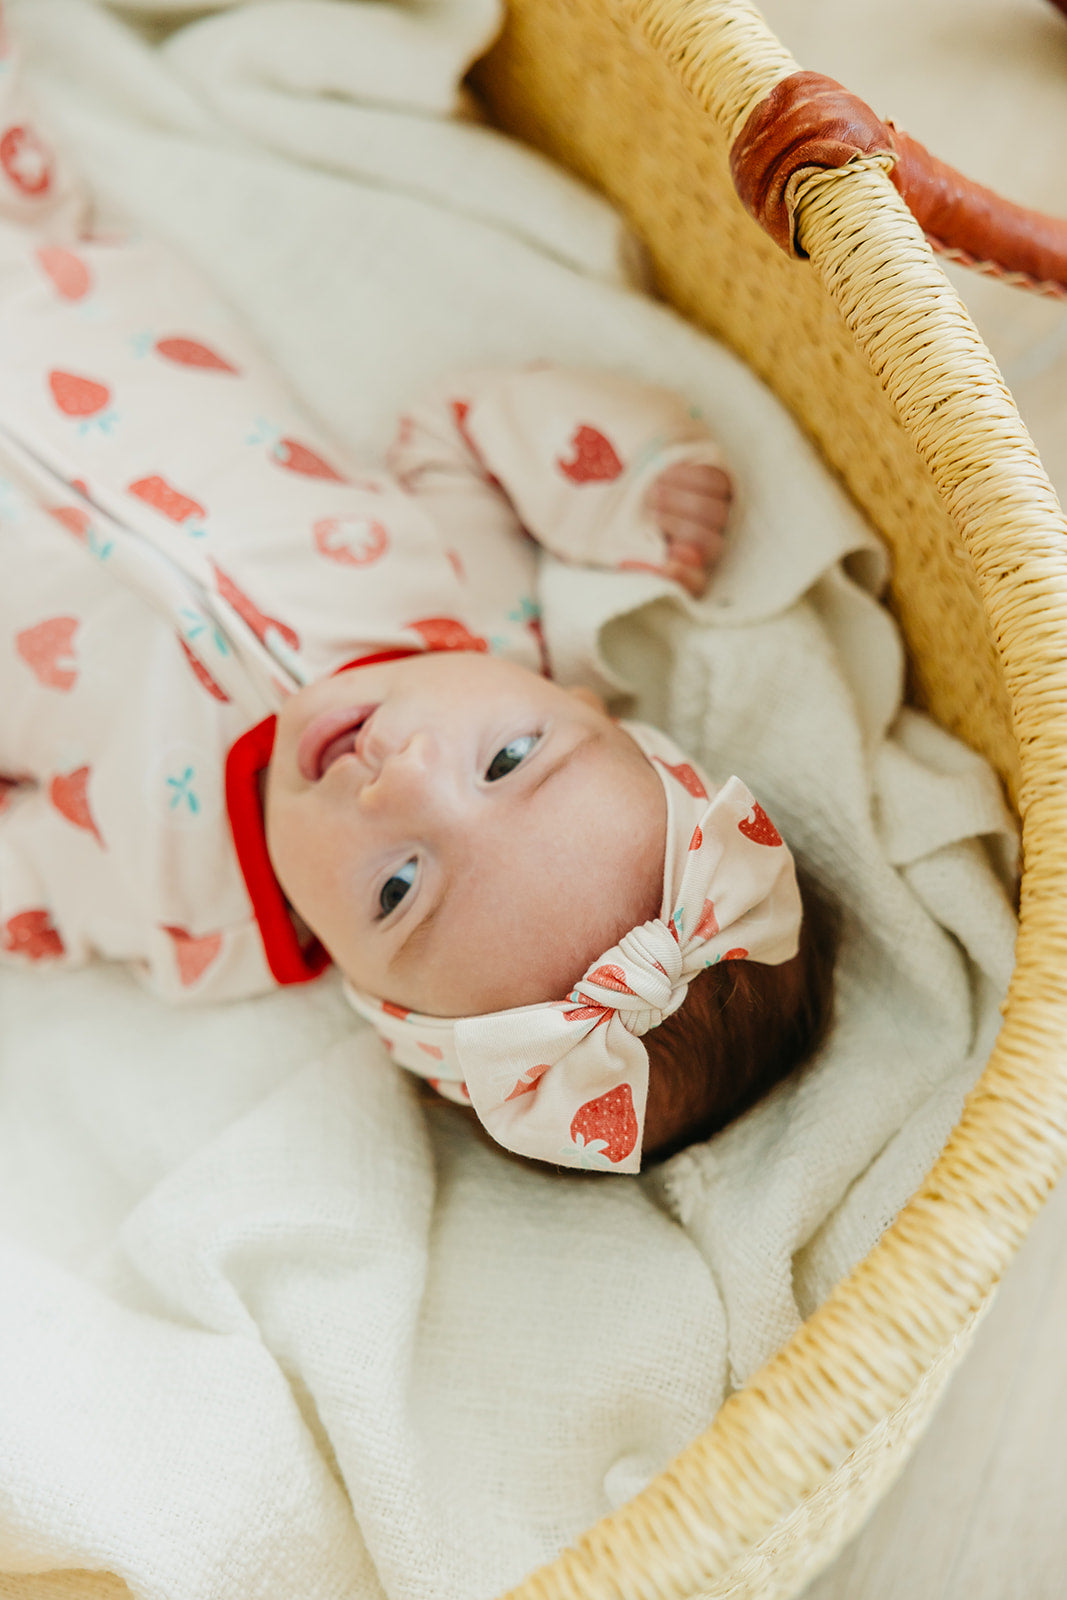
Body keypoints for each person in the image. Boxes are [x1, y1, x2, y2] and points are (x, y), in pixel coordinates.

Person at [0, 23, 835, 1174]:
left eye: (397, 888)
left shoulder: (201, 916)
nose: (395, 780)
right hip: (47, 276)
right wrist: (630, 489)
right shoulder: (467, 605)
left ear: (370, 992)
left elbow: (28, 878)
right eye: (504, 761)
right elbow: (461, 422)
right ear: (578, 702)